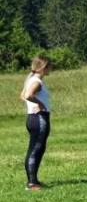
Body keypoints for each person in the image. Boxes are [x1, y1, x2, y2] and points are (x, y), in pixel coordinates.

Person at [20, 56, 52, 191]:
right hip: (39, 118)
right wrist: (40, 104)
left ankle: (34, 180)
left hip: (32, 118)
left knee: (37, 148)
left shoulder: (30, 79)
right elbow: (27, 96)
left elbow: (22, 95)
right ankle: (32, 183)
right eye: (50, 66)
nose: (51, 69)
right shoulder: (37, 81)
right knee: (35, 149)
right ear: (43, 67)